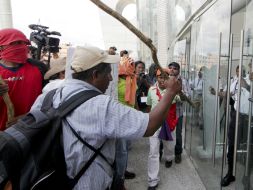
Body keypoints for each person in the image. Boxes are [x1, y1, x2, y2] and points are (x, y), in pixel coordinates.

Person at [31, 45, 181, 190]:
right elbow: (149, 126)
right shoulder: (101, 106)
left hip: (51, 180)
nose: (111, 79)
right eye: (108, 73)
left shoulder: (46, 97)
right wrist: (170, 92)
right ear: (95, 75)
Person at [210, 65, 250, 187]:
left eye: (241, 71)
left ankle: (247, 175)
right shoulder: (235, 81)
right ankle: (230, 173)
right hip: (236, 115)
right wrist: (217, 93)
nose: (239, 73)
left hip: (247, 117)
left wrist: (246, 82)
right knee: (231, 143)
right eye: (237, 71)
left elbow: (248, 88)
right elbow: (230, 93)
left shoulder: (248, 80)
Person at [0, 28, 44, 130]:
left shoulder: (39, 68)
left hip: (32, 129)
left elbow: (48, 99)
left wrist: (28, 116)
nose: (21, 46)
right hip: (4, 134)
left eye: (24, 43)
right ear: (1, 47)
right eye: (15, 43)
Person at [146, 68, 179, 190]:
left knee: (169, 145)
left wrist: (176, 91)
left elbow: (179, 100)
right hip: (155, 125)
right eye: (160, 77)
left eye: (165, 78)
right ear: (156, 77)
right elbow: (149, 106)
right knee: (153, 152)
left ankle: (169, 157)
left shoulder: (173, 91)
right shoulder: (151, 90)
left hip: (169, 123)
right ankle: (152, 181)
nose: (162, 80)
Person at [113, 50, 137, 190]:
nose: (131, 66)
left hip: (129, 117)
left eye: (132, 64)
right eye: (130, 64)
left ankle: (122, 172)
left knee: (125, 149)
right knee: (120, 150)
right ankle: (118, 180)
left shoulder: (132, 79)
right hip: (118, 118)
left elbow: (133, 99)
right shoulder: (115, 80)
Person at [168, 62, 191, 164]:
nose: (172, 70)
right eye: (170, 68)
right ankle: (166, 155)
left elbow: (187, 96)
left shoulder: (183, 81)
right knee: (165, 133)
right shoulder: (164, 78)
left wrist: (179, 92)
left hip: (178, 111)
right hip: (166, 112)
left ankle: (178, 154)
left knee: (178, 134)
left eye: (175, 68)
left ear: (179, 70)